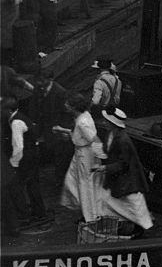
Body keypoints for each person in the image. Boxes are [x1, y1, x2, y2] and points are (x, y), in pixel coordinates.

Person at [97, 108, 153, 235]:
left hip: (128, 179)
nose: (105, 123)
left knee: (134, 204)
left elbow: (124, 163)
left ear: (113, 124)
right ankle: (126, 224)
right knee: (113, 201)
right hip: (118, 178)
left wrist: (105, 168)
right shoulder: (110, 135)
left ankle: (141, 228)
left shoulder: (123, 140)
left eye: (107, 121)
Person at [2, 96, 49, 233]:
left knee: (19, 185)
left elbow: (18, 147)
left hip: (26, 158)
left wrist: (13, 164)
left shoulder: (16, 122)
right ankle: (38, 212)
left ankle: (24, 215)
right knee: (32, 184)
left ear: (9, 110)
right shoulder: (21, 117)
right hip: (32, 155)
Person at [58, 92, 105, 224]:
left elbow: (94, 139)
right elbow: (81, 136)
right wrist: (66, 131)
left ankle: (90, 217)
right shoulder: (82, 116)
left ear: (74, 107)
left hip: (85, 156)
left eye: (68, 104)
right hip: (79, 153)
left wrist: (101, 157)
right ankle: (87, 212)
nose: (65, 106)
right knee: (72, 182)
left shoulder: (82, 121)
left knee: (85, 186)